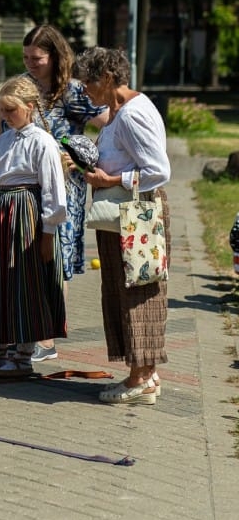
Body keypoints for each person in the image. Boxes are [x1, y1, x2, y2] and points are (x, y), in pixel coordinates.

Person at [0, 25, 108, 363]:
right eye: (25, 58)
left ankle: (47, 338)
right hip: (25, 192)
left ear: (54, 56)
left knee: (55, 257)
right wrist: (9, 93)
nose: (30, 64)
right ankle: (25, 332)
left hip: (62, 186)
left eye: (36, 58)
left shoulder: (71, 92)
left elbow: (110, 122)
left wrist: (82, 154)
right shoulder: (23, 88)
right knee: (27, 261)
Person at [76, 47, 172, 405]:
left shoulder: (132, 114)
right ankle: (145, 372)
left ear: (107, 79)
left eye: (88, 82)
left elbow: (159, 171)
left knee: (137, 291)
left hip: (137, 213)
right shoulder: (121, 111)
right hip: (128, 213)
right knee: (127, 289)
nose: (84, 89)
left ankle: (140, 378)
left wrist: (109, 179)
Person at [0, 75, 67, 379]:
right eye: (3, 111)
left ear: (30, 107)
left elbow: (53, 190)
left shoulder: (42, 142)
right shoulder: (3, 141)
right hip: (2, 214)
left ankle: (23, 357)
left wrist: (48, 232)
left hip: (27, 214)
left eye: (12, 110)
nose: (6, 117)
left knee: (25, 281)